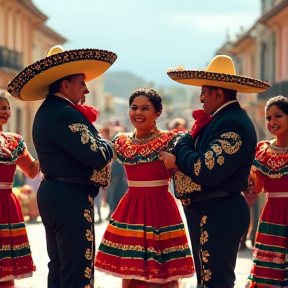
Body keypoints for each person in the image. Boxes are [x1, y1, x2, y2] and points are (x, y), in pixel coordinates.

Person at [7, 45, 117, 288]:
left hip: (57, 193)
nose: (86, 89)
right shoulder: (65, 113)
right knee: (77, 268)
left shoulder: (51, 110)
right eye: (81, 82)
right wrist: (109, 142)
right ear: (65, 85)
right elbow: (99, 154)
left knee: (60, 266)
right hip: (69, 197)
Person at [160, 55, 270, 288]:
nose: (200, 97)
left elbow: (204, 169)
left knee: (215, 282)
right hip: (211, 209)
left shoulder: (233, 122)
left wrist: (182, 144)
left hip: (219, 211)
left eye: (204, 91)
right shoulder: (223, 119)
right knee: (207, 281)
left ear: (219, 93)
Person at [95, 88, 194, 288]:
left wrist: (175, 164)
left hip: (160, 208)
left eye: (145, 108)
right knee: (131, 271)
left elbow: (187, 177)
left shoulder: (171, 140)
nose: (138, 113)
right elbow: (100, 171)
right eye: (134, 107)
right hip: (132, 207)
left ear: (158, 112)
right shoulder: (121, 141)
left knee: (162, 272)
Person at [246, 96, 288, 288]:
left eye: (277, 116)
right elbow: (257, 188)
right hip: (272, 215)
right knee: (270, 268)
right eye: (268, 118)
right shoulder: (263, 150)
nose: (272, 122)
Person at [0, 92, 40, 288]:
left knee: (7, 266)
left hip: (7, 203)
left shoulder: (14, 141)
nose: (5, 112)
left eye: (7, 108)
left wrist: (48, 149)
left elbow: (32, 171)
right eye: (1, 108)